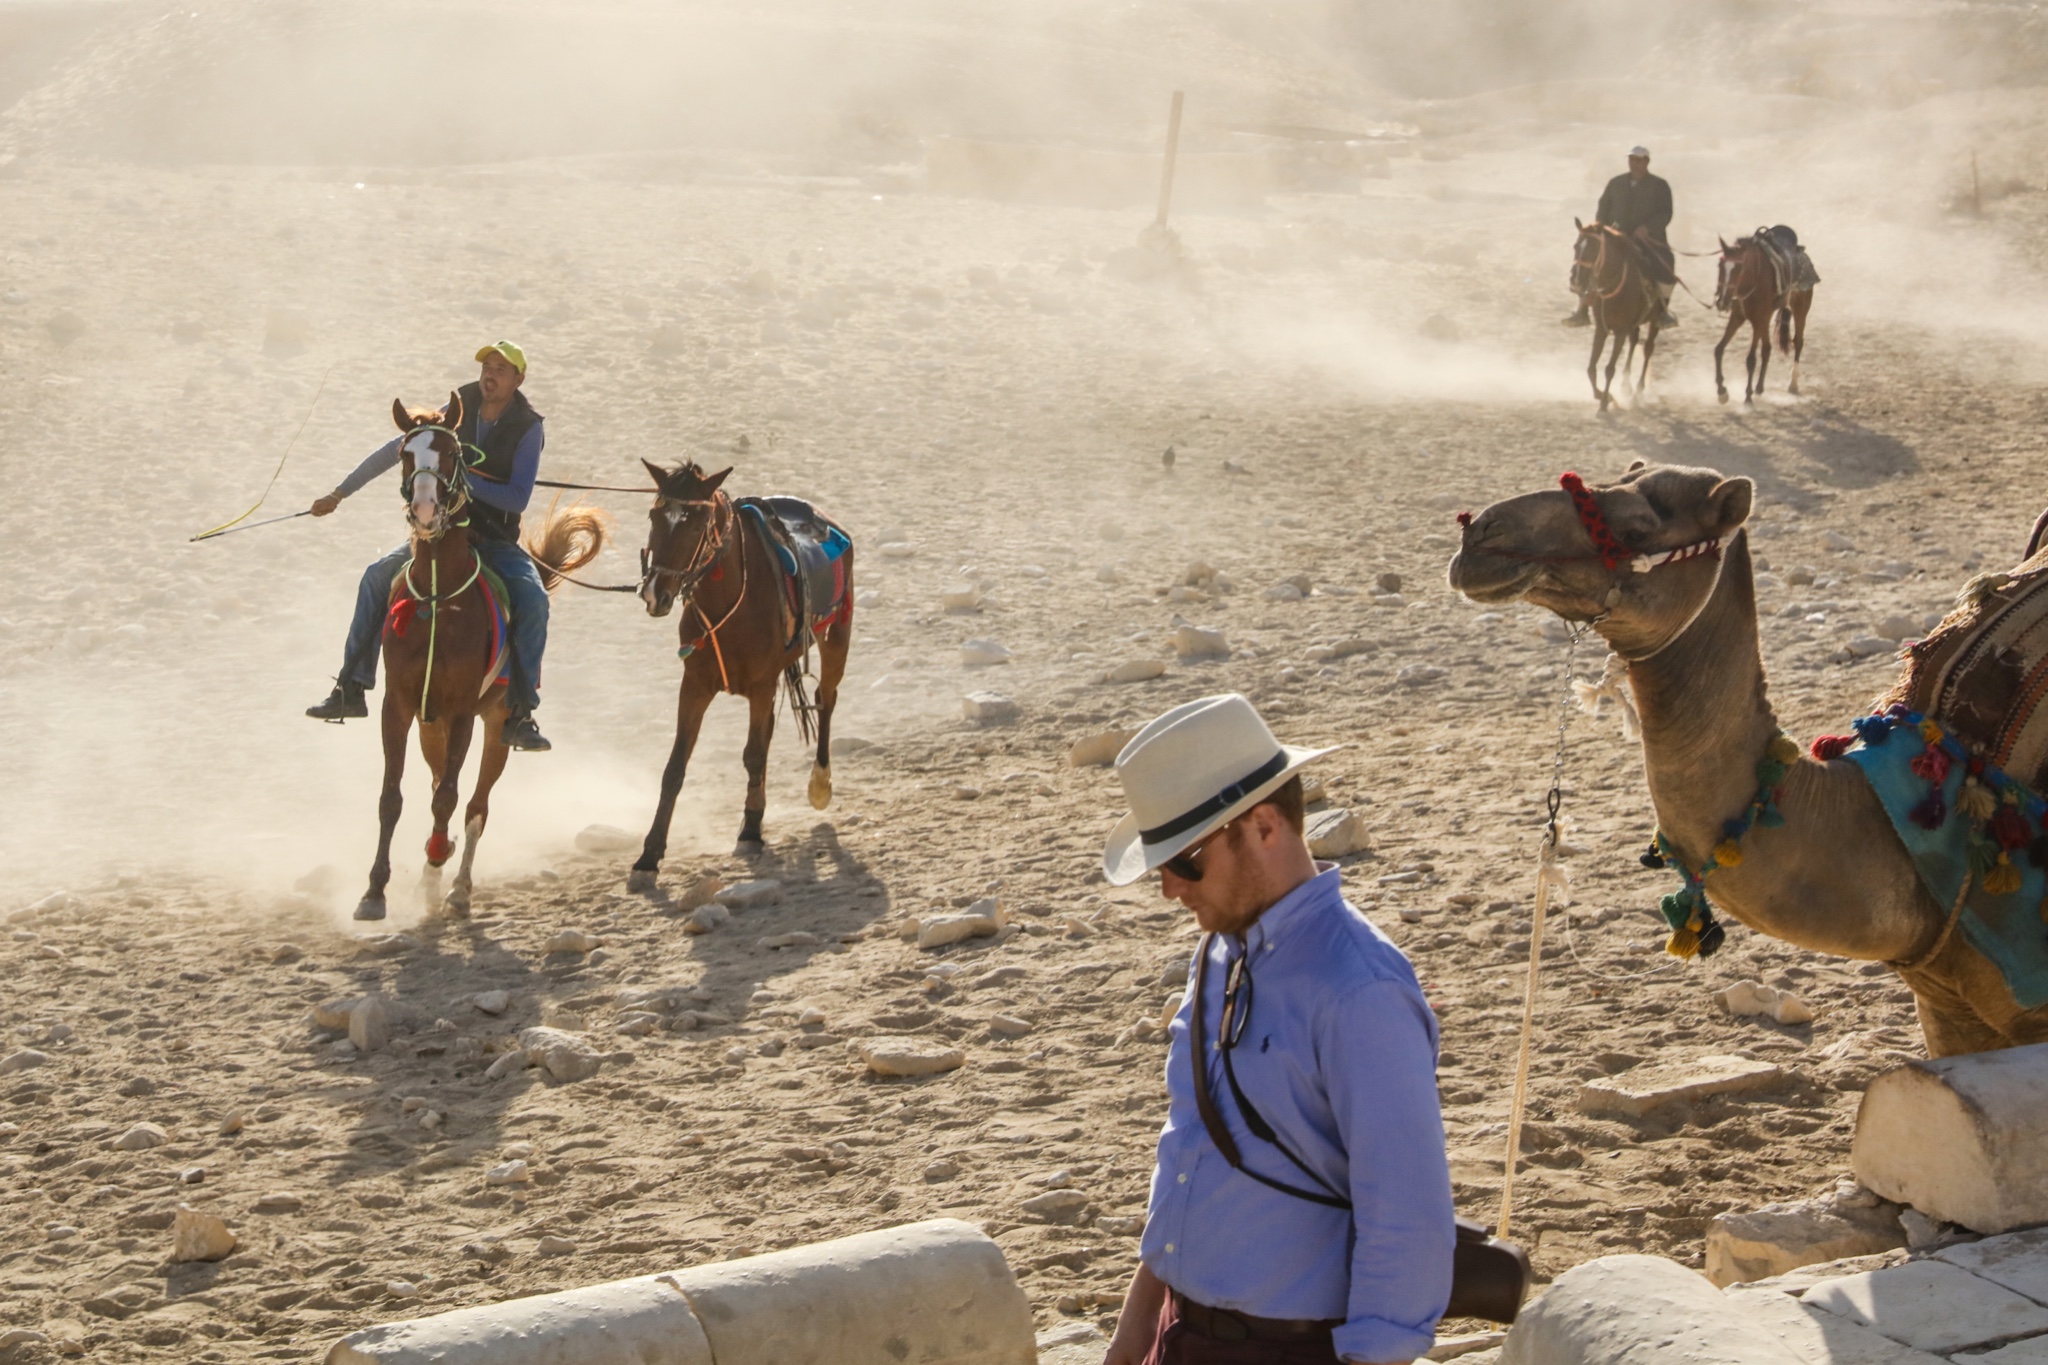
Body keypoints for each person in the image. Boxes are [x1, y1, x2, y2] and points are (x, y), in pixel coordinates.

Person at [1098, 694, 1454, 1365]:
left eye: (1185, 860)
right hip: (1180, 1337)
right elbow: (1190, 1155)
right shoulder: (1221, 954)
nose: (1170, 888)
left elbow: (1408, 1221)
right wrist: (1133, 1336)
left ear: (1263, 826)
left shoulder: (1360, 989)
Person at [304, 341, 554, 752]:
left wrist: (455, 474)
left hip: (494, 541)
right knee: (375, 577)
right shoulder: (462, 403)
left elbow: (517, 498)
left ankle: (522, 711)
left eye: (501, 370)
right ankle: (352, 685)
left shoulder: (529, 426)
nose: (490, 375)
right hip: (441, 534)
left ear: (518, 380)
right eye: (487, 366)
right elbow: (398, 449)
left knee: (535, 599)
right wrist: (339, 493)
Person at [1565, 145, 1677, 328]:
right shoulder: (1615, 183)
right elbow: (1603, 208)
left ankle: (1663, 312)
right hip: (1616, 238)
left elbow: (1665, 213)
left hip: (1647, 240)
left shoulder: (1660, 185)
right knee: (1590, 262)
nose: (1634, 163)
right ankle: (1582, 309)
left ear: (1647, 161)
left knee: (1666, 264)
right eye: (1632, 159)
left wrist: (1647, 228)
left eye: (1639, 160)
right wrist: (1604, 228)